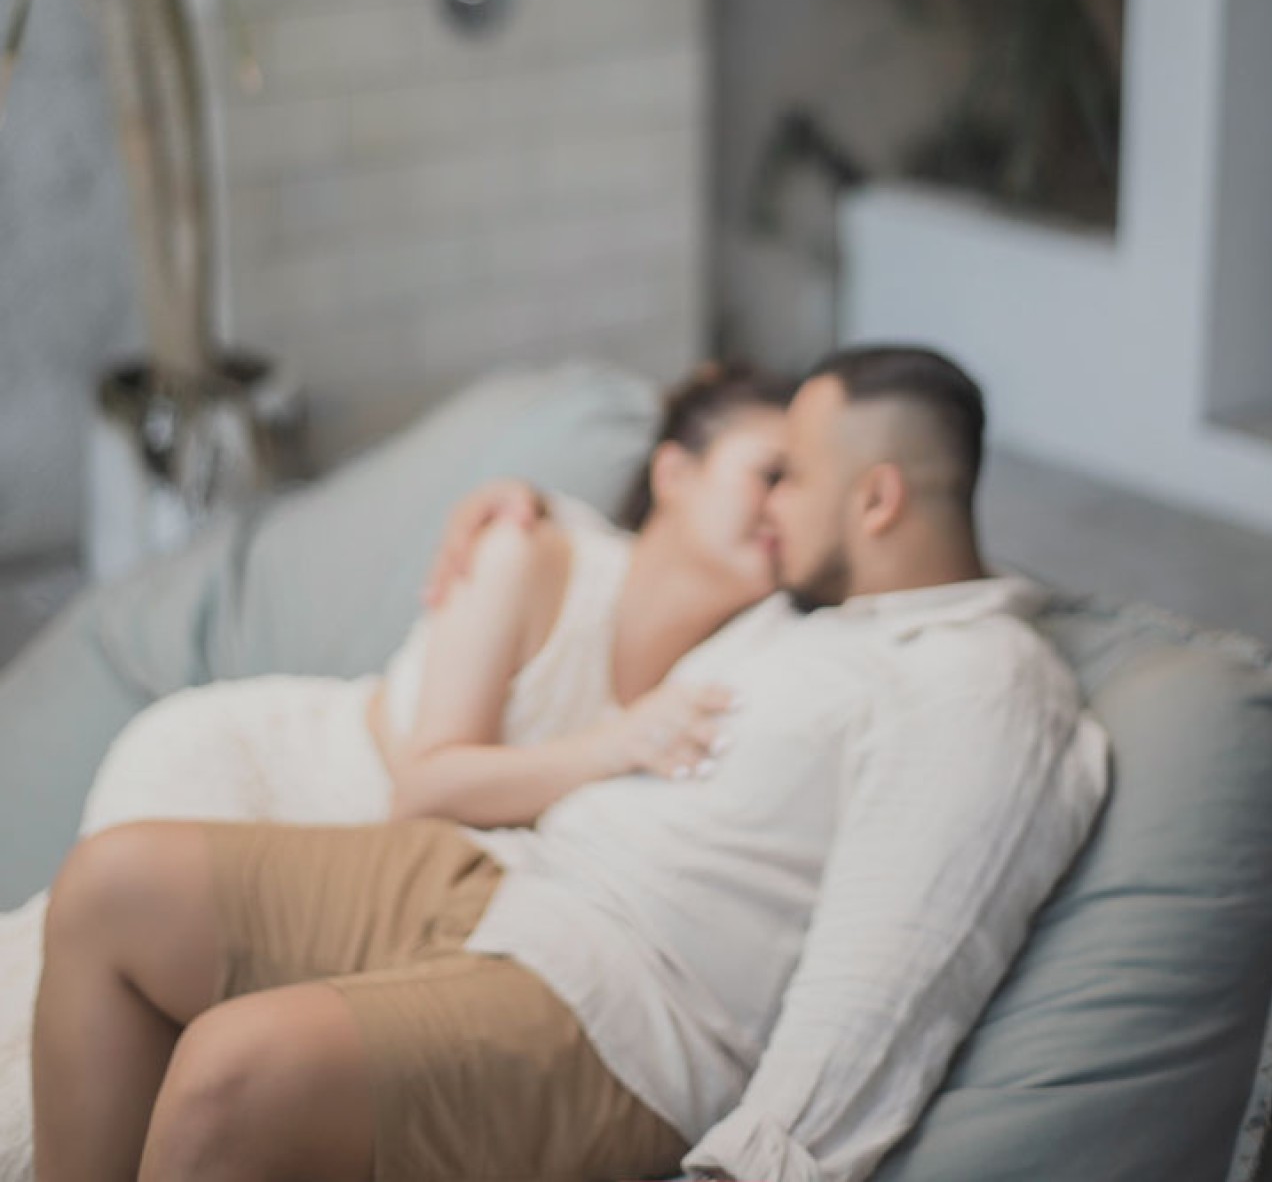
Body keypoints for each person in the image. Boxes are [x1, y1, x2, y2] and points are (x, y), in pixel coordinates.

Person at [32, 345, 1110, 1182]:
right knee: (112, 886)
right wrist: (513, 506)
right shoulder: (805, 616)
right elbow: (624, 593)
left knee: (231, 1073)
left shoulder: (981, 683)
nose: (773, 510)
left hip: (626, 1011)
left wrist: (764, 1160)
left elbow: (900, 959)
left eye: (794, 478)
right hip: (507, 875)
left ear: (875, 502)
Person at [0, 362, 790, 1182]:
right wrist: (613, 745)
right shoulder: (530, 551)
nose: (786, 508)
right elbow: (427, 788)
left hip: (403, 885)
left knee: (225, 1096)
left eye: (803, 487)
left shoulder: (746, 655)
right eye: (769, 473)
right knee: (76, 1079)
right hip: (270, 779)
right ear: (674, 471)